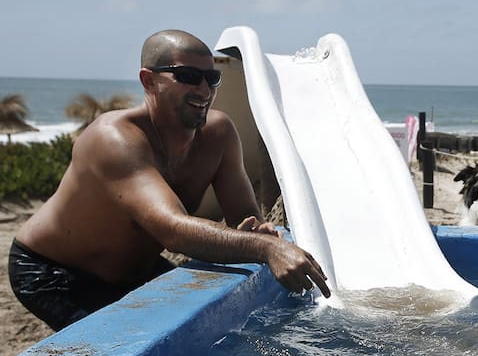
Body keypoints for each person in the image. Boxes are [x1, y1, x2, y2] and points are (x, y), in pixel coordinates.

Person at [9, 29, 330, 331]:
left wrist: (260, 235)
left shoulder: (218, 135)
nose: (204, 91)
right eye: (188, 77)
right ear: (148, 81)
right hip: (54, 272)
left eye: (212, 78)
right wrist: (267, 249)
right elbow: (173, 230)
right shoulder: (114, 138)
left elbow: (248, 222)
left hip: (137, 267)